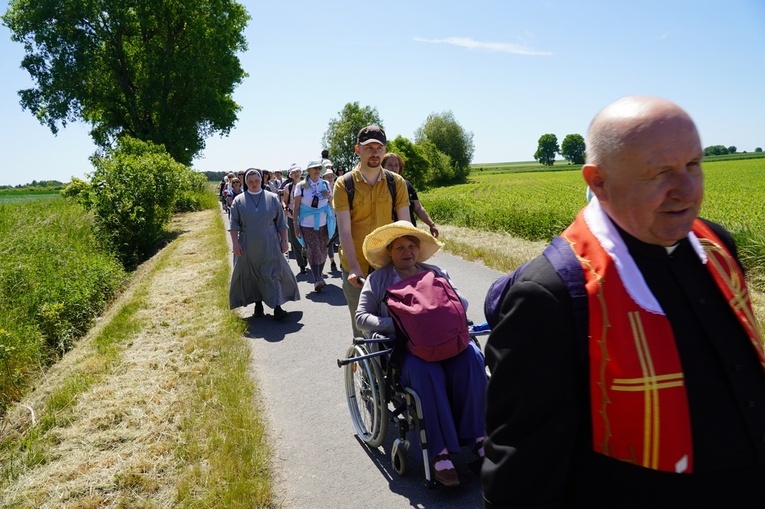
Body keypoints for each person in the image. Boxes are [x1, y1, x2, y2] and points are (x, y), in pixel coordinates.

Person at [482, 96, 765, 508]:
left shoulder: (716, 244)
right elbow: (521, 472)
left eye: (693, 165)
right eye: (660, 173)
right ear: (598, 181)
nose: (687, 189)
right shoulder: (553, 294)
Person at [355, 221, 487, 487]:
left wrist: (437, 315)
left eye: (412, 246)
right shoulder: (378, 279)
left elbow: (460, 304)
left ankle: (479, 438)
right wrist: (400, 324)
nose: (407, 252)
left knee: (472, 358)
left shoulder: (435, 272)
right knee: (427, 373)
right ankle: (439, 453)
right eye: (400, 247)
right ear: (390, 252)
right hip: (403, 349)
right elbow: (361, 318)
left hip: (444, 341)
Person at [333, 125, 411, 338]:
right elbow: (345, 231)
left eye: (379, 147)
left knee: (398, 324)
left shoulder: (396, 183)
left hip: (388, 265)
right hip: (356, 267)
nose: (375, 152)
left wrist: (411, 265)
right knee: (362, 329)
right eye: (369, 148)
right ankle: (364, 368)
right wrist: (355, 269)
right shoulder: (344, 184)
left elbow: (405, 227)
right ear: (358, 150)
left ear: (385, 150)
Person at [229, 169, 300, 320]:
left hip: (270, 243)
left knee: (272, 274)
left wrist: (284, 241)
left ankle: (277, 307)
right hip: (249, 245)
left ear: (261, 180)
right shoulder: (239, 200)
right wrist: (235, 244)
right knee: (253, 276)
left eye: (256, 181)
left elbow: (281, 223)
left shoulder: (272, 198)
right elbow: (234, 225)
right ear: (245, 183)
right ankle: (258, 305)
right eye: (250, 182)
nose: (254, 184)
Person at [294, 160, 336, 292]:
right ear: (309, 171)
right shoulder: (301, 186)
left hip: (324, 222)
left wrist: (328, 196)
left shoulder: (325, 184)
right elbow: (296, 208)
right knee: (312, 249)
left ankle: (319, 276)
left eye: (319, 168)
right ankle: (317, 278)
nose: (317, 171)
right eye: (314, 168)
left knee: (323, 249)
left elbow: (331, 203)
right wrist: (295, 225)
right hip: (307, 223)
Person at [381, 152, 439, 238]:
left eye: (396, 165)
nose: (393, 168)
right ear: (382, 166)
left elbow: (418, 208)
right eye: (389, 165)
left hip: (408, 232)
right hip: (387, 234)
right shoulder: (378, 187)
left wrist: (431, 224)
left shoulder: (407, 185)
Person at [282, 165, 308, 275]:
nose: (296, 174)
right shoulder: (288, 187)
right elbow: (285, 201)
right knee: (295, 240)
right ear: (291, 175)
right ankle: (301, 265)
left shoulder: (307, 184)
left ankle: (306, 255)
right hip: (293, 216)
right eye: (294, 172)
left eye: (298, 171)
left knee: (308, 239)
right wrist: (285, 207)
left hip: (307, 215)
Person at [322, 161, 339, 272]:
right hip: (328, 217)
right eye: (327, 177)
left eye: (331, 176)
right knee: (330, 241)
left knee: (342, 240)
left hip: (340, 216)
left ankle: (343, 261)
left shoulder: (339, 187)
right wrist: (328, 197)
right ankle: (332, 262)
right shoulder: (322, 189)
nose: (330, 178)